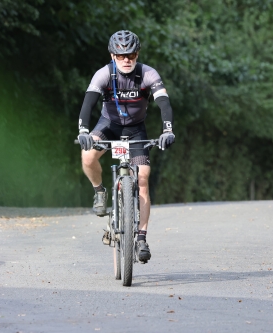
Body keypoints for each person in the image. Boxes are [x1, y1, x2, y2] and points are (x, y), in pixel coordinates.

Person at [77, 30, 175, 263]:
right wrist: (83, 131)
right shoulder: (104, 73)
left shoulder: (148, 73)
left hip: (136, 130)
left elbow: (164, 103)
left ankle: (141, 237)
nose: (126, 60)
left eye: (131, 55)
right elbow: (88, 103)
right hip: (108, 125)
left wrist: (168, 130)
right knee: (88, 156)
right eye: (121, 56)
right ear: (113, 56)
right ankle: (100, 191)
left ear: (137, 54)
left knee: (142, 178)